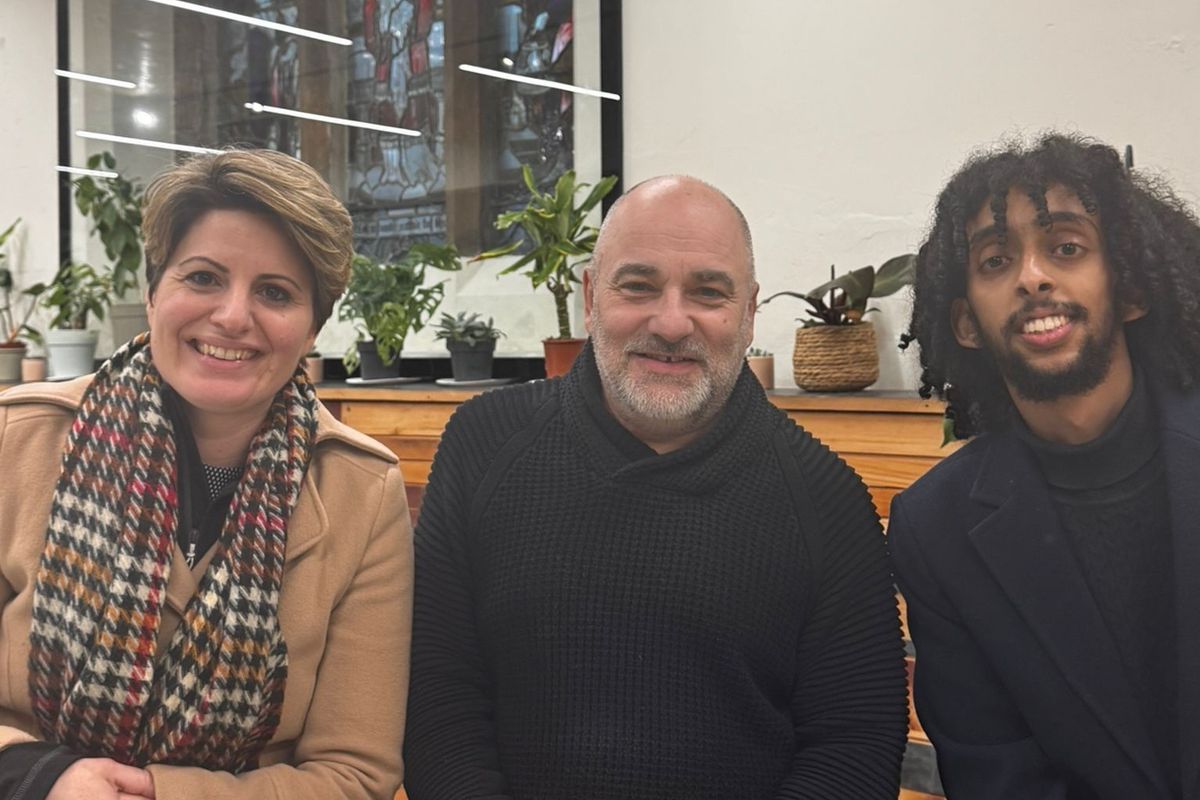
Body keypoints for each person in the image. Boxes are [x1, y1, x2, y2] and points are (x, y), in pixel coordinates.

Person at [404, 175, 908, 800]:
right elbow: (438, 696)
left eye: (708, 292)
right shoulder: (483, 444)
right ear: (591, 295)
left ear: (749, 312)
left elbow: (853, 747)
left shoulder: (827, 498)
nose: (672, 323)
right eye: (638, 286)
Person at [0, 149, 412, 799]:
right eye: (203, 278)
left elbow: (355, 773)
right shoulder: (16, 438)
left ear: (313, 328)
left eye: (275, 293)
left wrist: (154, 791)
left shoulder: (362, 489)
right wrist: (45, 777)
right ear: (153, 289)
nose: (232, 316)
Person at [890, 133, 1200, 799]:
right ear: (968, 324)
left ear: (1133, 289)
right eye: (997, 260)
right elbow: (997, 777)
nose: (1032, 276)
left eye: (1066, 247)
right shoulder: (935, 529)